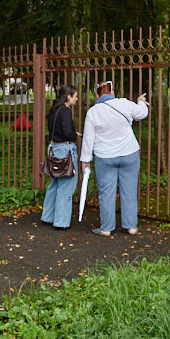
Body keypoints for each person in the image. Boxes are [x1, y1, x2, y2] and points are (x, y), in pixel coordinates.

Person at [80, 80, 150, 236]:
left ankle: (106, 228)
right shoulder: (124, 104)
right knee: (129, 191)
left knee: (106, 193)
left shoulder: (93, 112)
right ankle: (131, 226)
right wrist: (140, 101)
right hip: (129, 153)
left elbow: (88, 139)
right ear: (112, 93)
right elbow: (142, 113)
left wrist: (85, 160)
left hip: (105, 157)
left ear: (97, 95)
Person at [40, 84, 80, 230]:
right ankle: (61, 222)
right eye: (75, 96)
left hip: (54, 148)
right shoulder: (66, 111)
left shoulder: (53, 110)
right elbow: (67, 132)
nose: (76, 99)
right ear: (68, 97)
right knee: (66, 185)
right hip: (65, 149)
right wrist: (74, 135)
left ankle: (47, 216)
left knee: (54, 183)